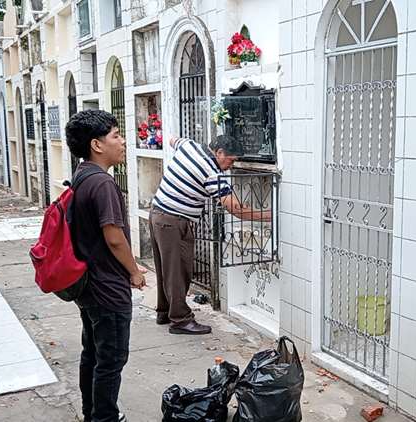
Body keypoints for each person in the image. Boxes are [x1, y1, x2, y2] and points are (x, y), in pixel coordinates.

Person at [65, 110, 147, 422]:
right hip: (106, 288)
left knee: (94, 354)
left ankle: (93, 413)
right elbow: (114, 237)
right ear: (97, 144)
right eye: (116, 135)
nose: (123, 141)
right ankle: (104, 417)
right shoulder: (102, 183)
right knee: (111, 358)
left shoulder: (81, 174)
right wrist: (134, 271)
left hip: (88, 285)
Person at [150, 135, 272, 335]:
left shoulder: (189, 146)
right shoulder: (212, 173)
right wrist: (269, 216)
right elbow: (236, 209)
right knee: (179, 272)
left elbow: (173, 140)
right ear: (219, 152)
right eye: (230, 160)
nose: (230, 166)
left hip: (157, 213)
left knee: (166, 269)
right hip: (174, 222)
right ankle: (180, 320)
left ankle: (165, 312)